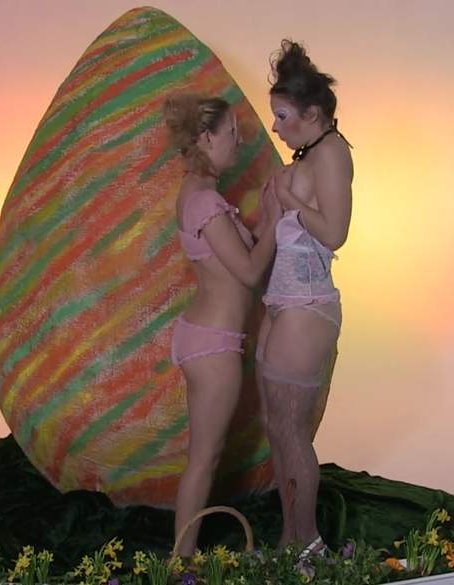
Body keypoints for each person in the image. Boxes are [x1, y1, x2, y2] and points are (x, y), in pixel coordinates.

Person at [163, 93, 282, 557]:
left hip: (206, 337)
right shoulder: (204, 201)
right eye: (232, 133)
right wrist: (276, 219)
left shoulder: (199, 195)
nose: (239, 141)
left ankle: (182, 556)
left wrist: (265, 222)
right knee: (204, 459)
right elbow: (249, 272)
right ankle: (181, 561)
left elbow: (237, 260)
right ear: (207, 138)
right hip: (213, 345)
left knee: (204, 458)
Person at [255, 40, 354, 559]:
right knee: (278, 428)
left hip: (307, 305)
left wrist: (290, 199)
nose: (275, 128)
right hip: (283, 301)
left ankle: (308, 544)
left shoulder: (332, 153)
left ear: (311, 114)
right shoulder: (313, 153)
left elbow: (335, 232)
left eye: (282, 116)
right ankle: (290, 540)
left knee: (292, 431)